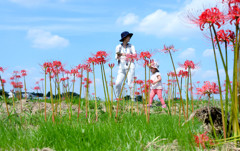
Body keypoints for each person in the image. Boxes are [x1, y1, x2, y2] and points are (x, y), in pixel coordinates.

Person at [115, 31, 136, 101]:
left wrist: (124, 54)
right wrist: (118, 55)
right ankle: (118, 98)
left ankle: (133, 99)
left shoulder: (131, 46)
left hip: (130, 66)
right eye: (128, 36)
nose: (129, 38)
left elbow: (135, 55)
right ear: (124, 38)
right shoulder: (118, 47)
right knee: (117, 83)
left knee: (130, 83)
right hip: (121, 67)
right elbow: (116, 57)